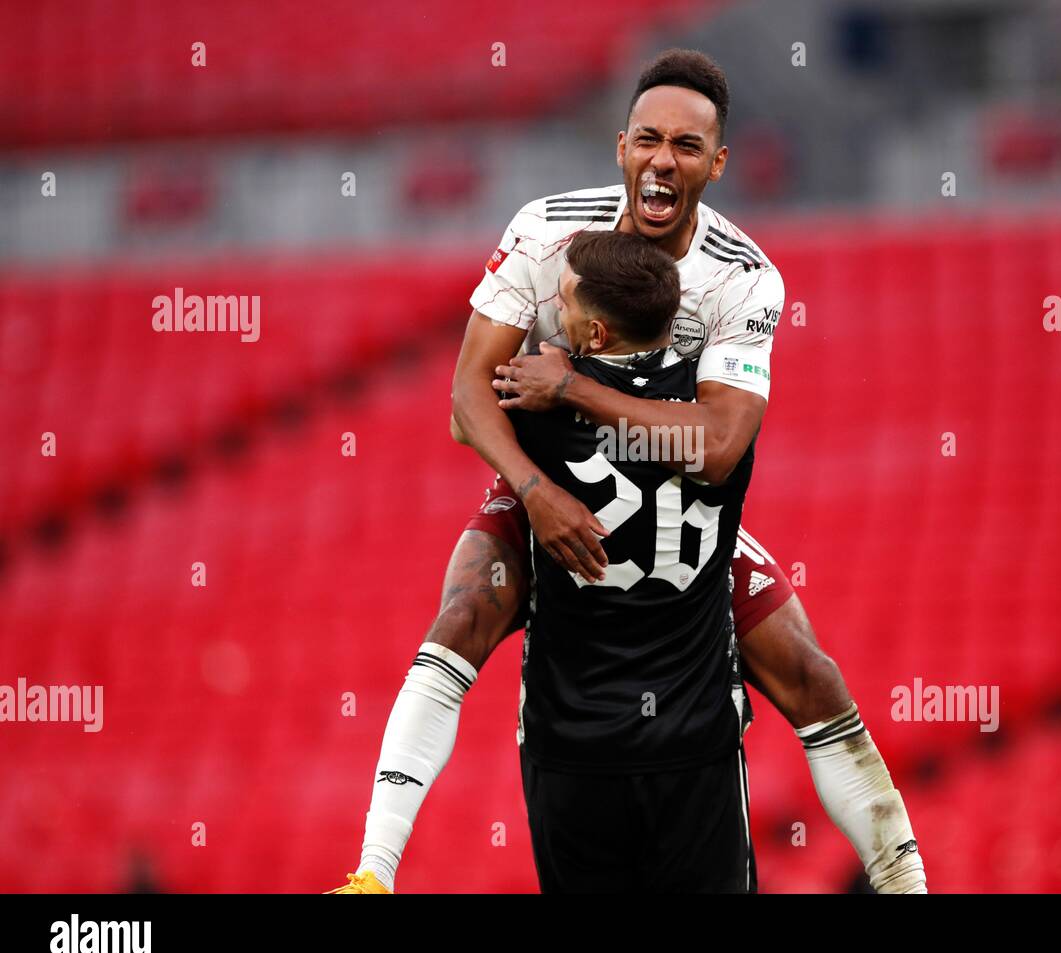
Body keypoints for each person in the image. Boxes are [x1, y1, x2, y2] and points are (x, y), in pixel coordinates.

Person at [328, 49, 925, 894]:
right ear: (620, 147)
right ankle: (373, 874)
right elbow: (469, 399)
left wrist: (568, 384)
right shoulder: (545, 232)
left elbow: (714, 448)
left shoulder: (745, 276)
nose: (661, 160)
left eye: (686, 146)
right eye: (648, 139)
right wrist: (534, 494)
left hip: (679, 489)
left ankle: (908, 883)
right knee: (464, 609)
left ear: (716, 165)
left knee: (808, 669)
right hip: (551, 484)